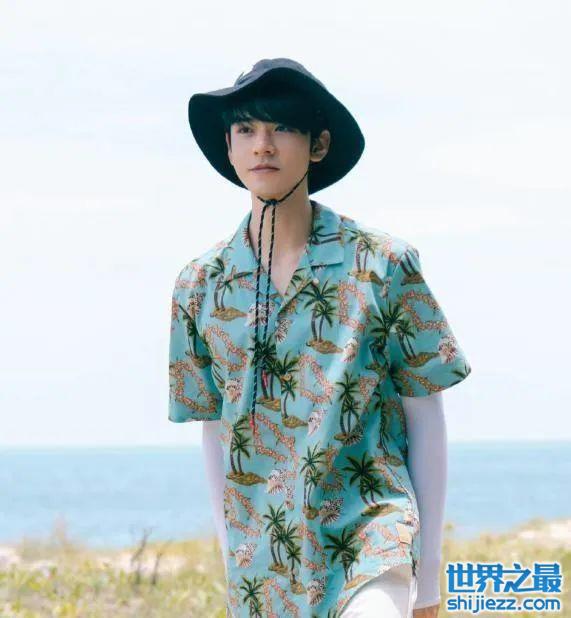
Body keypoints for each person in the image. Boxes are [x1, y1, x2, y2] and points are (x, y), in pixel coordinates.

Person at [168, 58, 472, 617]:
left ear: (318, 144)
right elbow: (214, 427)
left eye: (282, 126)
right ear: (229, 147)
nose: (262, 145)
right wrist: (232, 557)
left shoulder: (382, 264)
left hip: (372, 536)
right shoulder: (200, 285)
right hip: (265, 561)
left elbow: (425, 411)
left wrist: (427, 579)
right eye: (245, 129)